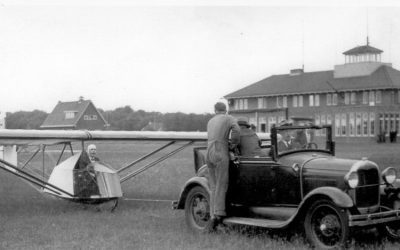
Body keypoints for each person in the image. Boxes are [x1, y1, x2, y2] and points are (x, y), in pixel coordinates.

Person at [206, 102, 240, 232]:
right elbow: (237, 130)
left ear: (215, 110)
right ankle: (218, 217)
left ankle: (211, 215)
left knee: (213, 186)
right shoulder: (229, 118)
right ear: (225, 110)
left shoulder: (210, 121)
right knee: (222, 184)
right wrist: (233, 145)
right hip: (220, 151)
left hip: (208, 151)